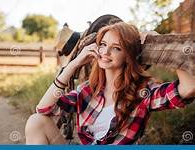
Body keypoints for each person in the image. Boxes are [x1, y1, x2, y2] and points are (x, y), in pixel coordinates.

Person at [25, 22, 195, 145]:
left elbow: (189, 88)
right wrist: (74, 63)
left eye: (116, 48)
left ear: (128, 55)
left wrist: (161, 48)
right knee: (36, 121)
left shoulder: (143, 92)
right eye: (103, 44)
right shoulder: (86, 90)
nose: (105, 52)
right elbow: (43, 110)